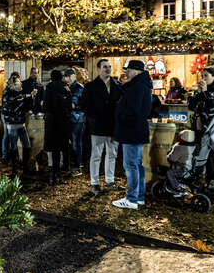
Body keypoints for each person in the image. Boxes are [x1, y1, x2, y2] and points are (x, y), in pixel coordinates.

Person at [112, 60, 151, 210]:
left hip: (131, 131)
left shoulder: (137, 87)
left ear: (136, 71)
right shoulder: (143, 86)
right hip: (138, 131)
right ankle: (138, 196)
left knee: (130, 165)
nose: (126, 72)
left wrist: (120, 116)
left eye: (128, 70)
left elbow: (133, 110)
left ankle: (131, 199)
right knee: (136, 164)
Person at [81, 59, 124, 195]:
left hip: (113, 127)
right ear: (98, 69)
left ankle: (110, 181)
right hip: (98, 126)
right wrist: (94, 119)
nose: (108, 69)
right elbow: (85, 106)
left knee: (112, 154)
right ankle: (94, 183)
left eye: (109, 67)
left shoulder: (117, 85)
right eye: (105, 67)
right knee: (96, 155)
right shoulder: (90, 86)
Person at [187, 67, 214, 190]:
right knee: (200, 152)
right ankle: (198, 180)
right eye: (202, 76)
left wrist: (205, 94)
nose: (203, 78)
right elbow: (191, 106)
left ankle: (213, 184)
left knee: (212, 156)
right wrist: (198, 94)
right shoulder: (202, 90)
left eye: (206, 75)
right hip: (202, 127)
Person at [2, 73, 37, 177]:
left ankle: (25, 168)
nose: (21, 83)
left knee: (27, 145)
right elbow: (15, 100)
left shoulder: (20, 92)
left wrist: (31, 96)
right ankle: (14, 170)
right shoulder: (8, 93)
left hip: (21, 123)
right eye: (18, 82)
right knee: (13, 147)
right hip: (12, 124)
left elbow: (24, 102)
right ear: (13, 84)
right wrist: (29, 95)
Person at [43, 69, 72, 185]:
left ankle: (53, 175)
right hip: (62, 121)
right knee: (63, 147)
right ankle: (60, 173)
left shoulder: (48, 88)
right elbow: (69, 106)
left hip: (51, 122)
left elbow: (44, 107)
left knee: (54, 149)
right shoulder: (65, 88)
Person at [64, 69, 85, 177]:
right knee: (71, 142)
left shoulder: (79, 88)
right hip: (70, 118)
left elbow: (73, 103)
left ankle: (78, 165)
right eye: (65, 76)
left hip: (77, 119)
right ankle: (73, 164)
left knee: (76, 142)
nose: (66, 78)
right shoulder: (69, 87)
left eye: (68, 76)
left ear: (73, 76)